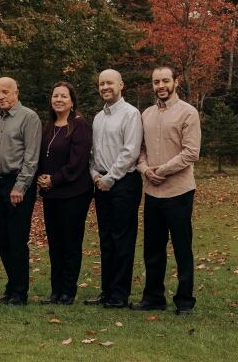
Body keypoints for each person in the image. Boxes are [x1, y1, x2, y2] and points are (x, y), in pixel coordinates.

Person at [132, 66, 200, 315]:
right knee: (153, 248)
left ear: (175, 82)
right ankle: (153, 298)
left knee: (182, 248)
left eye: (165, 81)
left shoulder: (188, 113)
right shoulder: (146, 114)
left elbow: (191, 152)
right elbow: (140, 151)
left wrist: (161, 171)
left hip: (179, 192)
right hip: (151, 192)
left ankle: (184, 301)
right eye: (156, 82)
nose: (160, 86)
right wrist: (145, 169)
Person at [86, 69, 143, 309]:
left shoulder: (131, 114)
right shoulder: (99, 117)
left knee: (122, 238)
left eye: (109, 82)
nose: (105, 87)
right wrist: (94, 174)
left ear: (121, 84)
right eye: (101, 83)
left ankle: (119, 294)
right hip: (101, 182)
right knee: (106, 238)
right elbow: (94, 153)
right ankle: (107, 290)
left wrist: (111, 177)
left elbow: (130, 151)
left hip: (123, 184)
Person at [35, 82, 93, 305]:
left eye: (64, 96)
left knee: (70, 243)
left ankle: (68, 291)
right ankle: (55, 290)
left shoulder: (79, 126)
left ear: (72, 101)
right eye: (55, 95)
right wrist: (41, 176)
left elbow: (77, 162)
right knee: (55, 244)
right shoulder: (49, 125)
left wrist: (54, 179)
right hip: (51, 195)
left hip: (74, 194)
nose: (58, 99)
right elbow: (42, 156)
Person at [0, 77, 41, 306]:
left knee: (17, 241)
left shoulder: (29, 117)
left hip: (18, 184)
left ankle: (20, 293)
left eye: (5, 92)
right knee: (4, 241)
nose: (1, 96)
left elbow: (31, 158)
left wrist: (20, 186)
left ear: (16, 92)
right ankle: (11, 288)